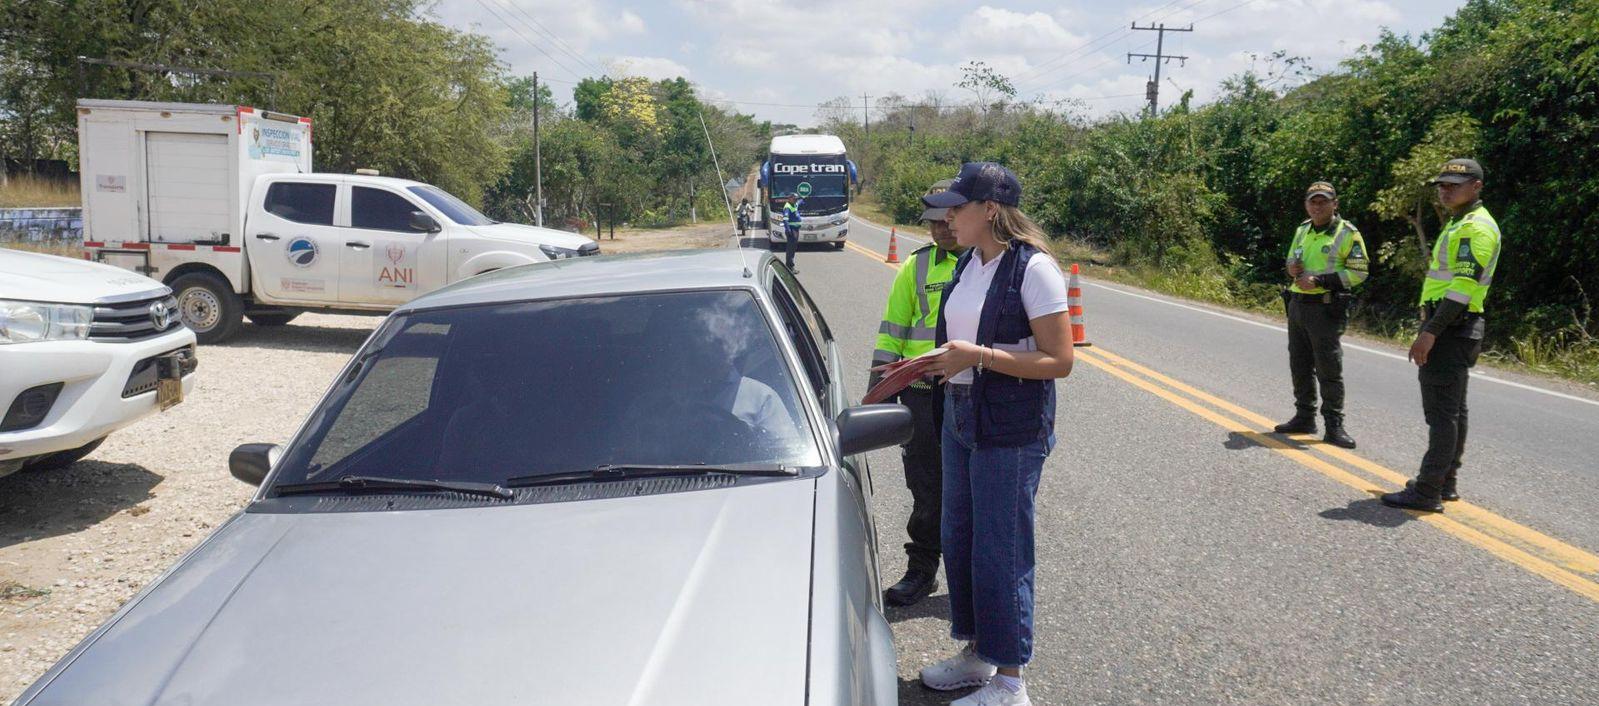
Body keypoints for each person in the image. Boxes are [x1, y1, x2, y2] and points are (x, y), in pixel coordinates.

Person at [918, 162, 1073, 706]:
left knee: (1000, 549)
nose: (948, 216)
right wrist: (936, 362)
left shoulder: (1034, 270)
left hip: (1009, 426)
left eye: (957, 207)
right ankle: (978, 655)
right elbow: (962, 337)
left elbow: (1059, 360)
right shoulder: (969, 264)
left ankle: (1010, 682)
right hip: (960, 413)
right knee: (959, 538)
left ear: (990, 210)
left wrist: (977, 357)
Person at [1382, 158, 1502, 513]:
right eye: (1442, 184)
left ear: (1476, 186)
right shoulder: (1461, 223)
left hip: (1450, 328)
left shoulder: (1475, 228)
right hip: (1456, 327)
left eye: (1454, 184)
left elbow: (1463, 288)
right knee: (1453, 411)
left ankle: (1428, 490)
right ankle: (1444, 481)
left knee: (1441, 415)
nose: (1445, 190)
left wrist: (1429, 332)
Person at [869, 178, 966, 608]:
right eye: (933, 223)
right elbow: (893, 328)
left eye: (948, 221)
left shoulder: (989, 265)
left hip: (968, 395)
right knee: (926, 488)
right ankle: (922, 571)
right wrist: (880, 388)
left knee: (970, 488)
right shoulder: (917, 266)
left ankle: (972, 578)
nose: (941, 231)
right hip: (923, 395)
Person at [1273, 181, 1368, 449]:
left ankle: (1334, 426)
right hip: (1297, 305)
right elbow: (1292, 260)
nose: (1317, 206)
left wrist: (1321, 281)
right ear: (1306, 204)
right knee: (1299, 364)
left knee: (1328, 367)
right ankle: (1304, 417)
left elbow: (1359, 272)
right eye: (1313, 201)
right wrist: (1291, 268)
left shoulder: (1347, 233)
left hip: (1325, 308)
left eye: (1323, 201)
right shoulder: (1303, 229)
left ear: (1334, 204)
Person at [782, 194, 803, 272]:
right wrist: (788, 230)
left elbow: (800, 202)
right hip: (791, 230)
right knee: (790, 249)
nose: (796, 200)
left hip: (796, 229)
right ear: (789, 199)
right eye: (794, 199)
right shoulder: (787, 207)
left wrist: (803, 197)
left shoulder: (794, 204)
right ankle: (789, 267)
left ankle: (790, 266)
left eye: (796, 199)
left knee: (793, 248)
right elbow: (785, 220)